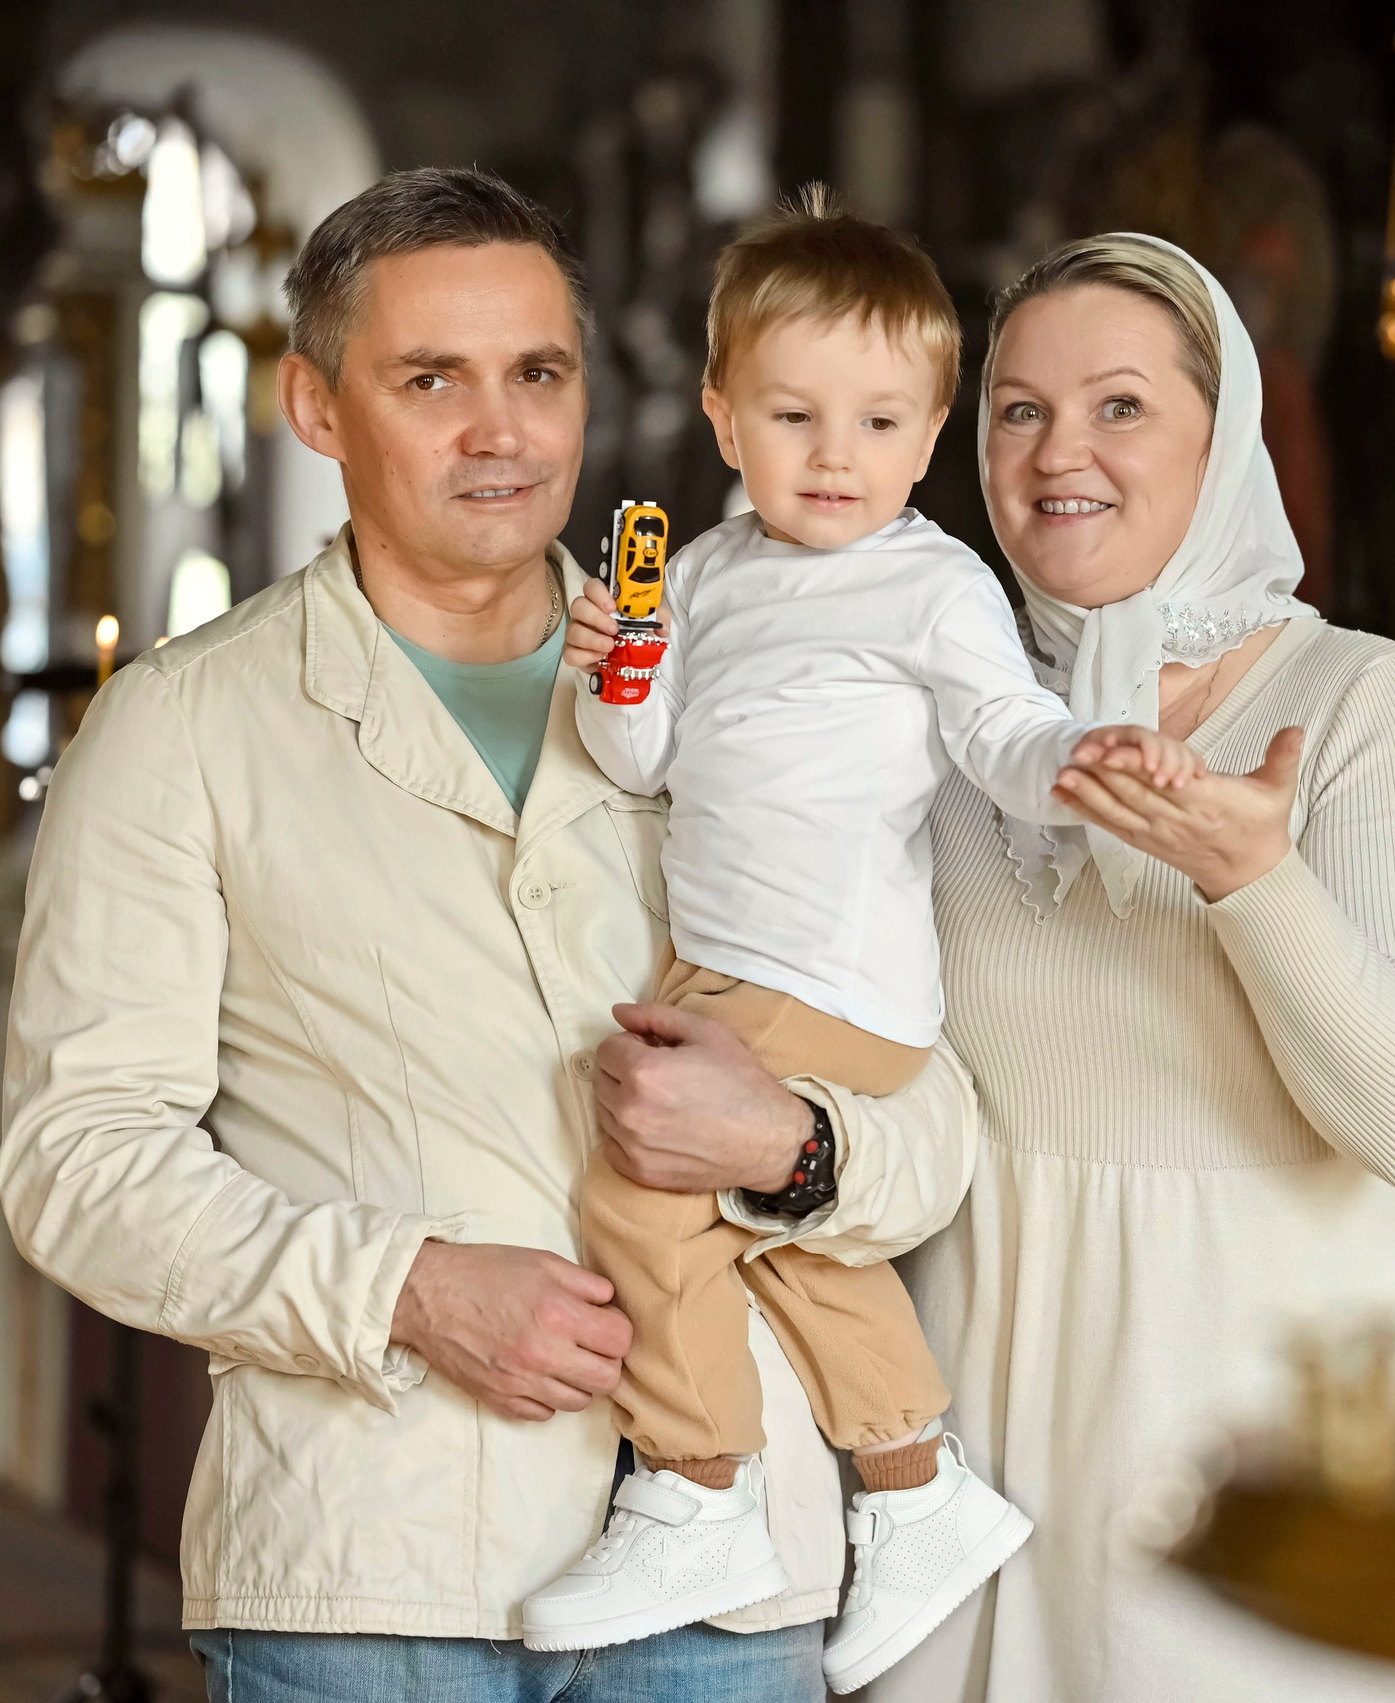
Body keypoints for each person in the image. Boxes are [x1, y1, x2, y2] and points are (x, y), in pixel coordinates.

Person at [0, 166, 979, 1703]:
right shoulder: (181, 730)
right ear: (316, 407)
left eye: (538, 374)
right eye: (430, 380)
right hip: (373, 1573)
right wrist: (405, 1288)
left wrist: (793, 1146)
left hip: (728, 1593)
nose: (501, 433)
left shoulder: (740, 688)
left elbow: (937, 1114)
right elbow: (81, 1161)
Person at [535, 191, 1192, 1688]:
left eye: (881, 422)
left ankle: (698, 1483)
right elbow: (641, 766)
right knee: (778, 1239)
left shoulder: (931, 582)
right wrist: (620, 672)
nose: (837, 458)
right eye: (793, 415)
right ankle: (917, 1491)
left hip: (831, 978)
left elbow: (1006, 730)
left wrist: (1082, 761)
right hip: (726, 969)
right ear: (720, 416)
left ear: (933, 429)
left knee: (642, 1199)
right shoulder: (700, 577)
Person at [880, 235, 1395, 1701]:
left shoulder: (1358, 704)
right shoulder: (947, 720)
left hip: (1239, 1480)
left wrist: (1250, 878)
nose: (1057, 452)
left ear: (1228, 444)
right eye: (1017, 411)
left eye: (1120, 407)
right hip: (966, 1464)